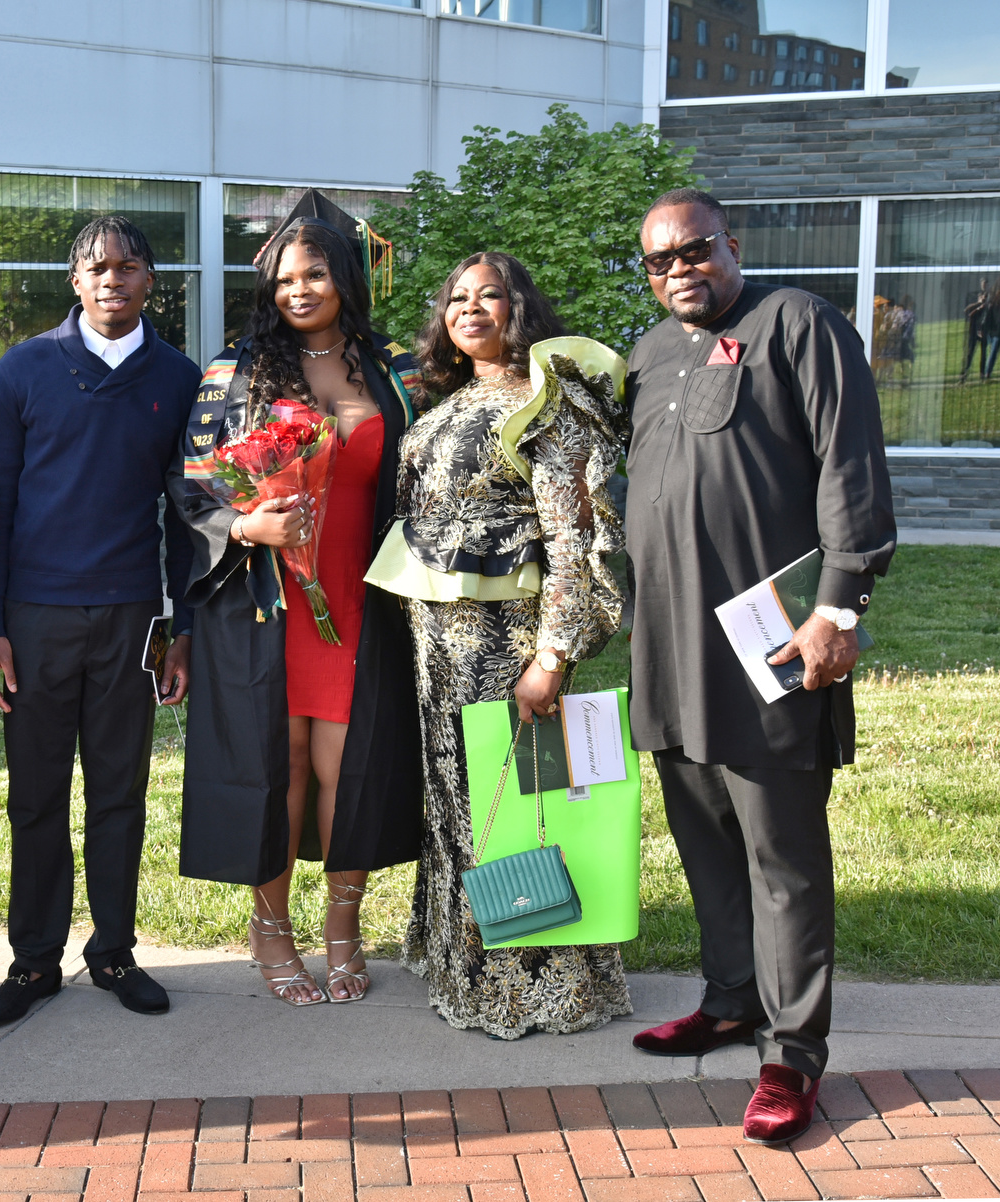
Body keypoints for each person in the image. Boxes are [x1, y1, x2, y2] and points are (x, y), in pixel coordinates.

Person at [624, 188, 894, 1145]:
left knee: (782, 854)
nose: (678, 271)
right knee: (703, 836)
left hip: (769, 642)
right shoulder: (650, 353)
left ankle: (792, 1055)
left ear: (731, 244)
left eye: (694, 250)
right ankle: (731, 999)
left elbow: (850, 464)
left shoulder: (799, 324)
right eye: (659, 261)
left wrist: (839, 607)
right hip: (667, 642)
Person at [366, 252, 632, 1039]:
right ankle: (463, 964)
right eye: (457, 297)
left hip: (507, 642)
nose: (470, 307)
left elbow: (572, 537)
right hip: (438, 645)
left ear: (522, 308)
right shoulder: (453, 400)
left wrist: (552, 655)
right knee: (457, 809)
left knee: (519, 808)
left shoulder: (546, 403)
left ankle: (532, 986)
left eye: (490, 295)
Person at [170, 194, 423, 1005]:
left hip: (362, 596)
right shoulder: (232, 374)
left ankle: (344, 929)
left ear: (345, 275)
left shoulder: (396, 371)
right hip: (263, 602)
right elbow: (191, 485)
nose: (300, 289)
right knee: (276, 772)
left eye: (315, 272)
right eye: (285, 278)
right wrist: (248, 527)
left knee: (346, 769)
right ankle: (271, 930)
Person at [0, 216, 200, 1026]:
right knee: (35, 797)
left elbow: (186, 515)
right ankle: (33, 962)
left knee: (119, 792)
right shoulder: (26, 369)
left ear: (151, 282)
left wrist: (181, 630)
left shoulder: (178, 378)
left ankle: (112, 951)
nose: (113, 278)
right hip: (34, 616)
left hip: (131, 614)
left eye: (129, 266)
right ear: (75, 281)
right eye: (97, 267)